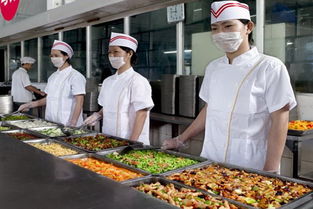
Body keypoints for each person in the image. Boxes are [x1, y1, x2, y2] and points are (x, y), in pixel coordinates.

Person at [162, 1, 297, 172]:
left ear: (248, 27)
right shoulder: (213, 67)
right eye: (215, 28)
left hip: (251, 163)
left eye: (228, 26)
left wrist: (270, 170)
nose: (221, 33)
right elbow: (209, 109)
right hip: (211, 159)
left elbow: (280, 119)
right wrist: (181, 139)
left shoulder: (270, 67)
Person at [84, 32, 154, 145]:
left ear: (129, 53)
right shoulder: (108, 82)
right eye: (109, 53)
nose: (112, 56)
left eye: (116, 52)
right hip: (109, 139)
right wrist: (98, 115)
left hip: (130, 140)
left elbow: (142, 114)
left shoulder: (138, 81)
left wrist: (132, 142)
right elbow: (106, 107)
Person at [18, 40, 86, 127]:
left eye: (56, 55)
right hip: (52, 122)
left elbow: (79, 102)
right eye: (52, 56)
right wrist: (30, 104)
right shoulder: (52, 77)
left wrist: (73, 123)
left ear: (66, 56)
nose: (53, 58)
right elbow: (49, 99)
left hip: (68, 123)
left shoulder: (76, 76)